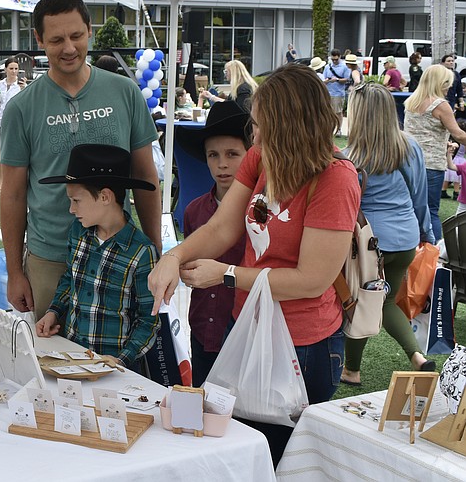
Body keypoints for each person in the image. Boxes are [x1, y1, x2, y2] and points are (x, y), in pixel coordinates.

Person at [148, 63, 360, 466]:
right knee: (239, 448)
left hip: (302, 344)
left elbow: (311, 280)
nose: (255, 137)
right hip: (246, 325)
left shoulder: (335, 179)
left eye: (263, 127)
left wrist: (225, 275)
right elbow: (222, 227)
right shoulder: (261, 158)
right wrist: (175, 256)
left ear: (292, 128)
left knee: (283, 457)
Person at [0, 0, 160, 322]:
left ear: (90, 30)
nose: (69, 48)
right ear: (39, 40)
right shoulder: (21, 108)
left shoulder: (125, 92)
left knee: (119, 361)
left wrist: (155, 251)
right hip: (51, 259)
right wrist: (15, 271)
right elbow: (13, 194)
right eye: (57, 39)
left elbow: (146, 177)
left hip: (120, 255)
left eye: (76, 35)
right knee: (54, 360)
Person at [341, 82, 435, 387]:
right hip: (406, 237)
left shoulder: (348, 156)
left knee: (362, 302)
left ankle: (351, 370)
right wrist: (426, 233)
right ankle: (417, 356)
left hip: (368, 244)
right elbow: (419, 196)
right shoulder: (409, 147)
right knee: (385, 301)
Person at [35, 144, 160, 372]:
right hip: (71, 358)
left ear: (105, 197)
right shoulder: (78, 232)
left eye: (76, 200)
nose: (71, 209)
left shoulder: (142, 252)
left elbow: (148, 320)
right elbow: (70, 279)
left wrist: (121, 360)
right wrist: (54, 311)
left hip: (115, 371)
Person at [178, 101, 250, 386]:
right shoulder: (194, 211)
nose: (222, 164)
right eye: (213, 155)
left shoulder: (260, 212)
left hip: (241, 329)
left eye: (233, 154)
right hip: (201, 325)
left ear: (251, 155)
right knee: (202, 402)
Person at [404, 64, 466, 241]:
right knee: (431, 211)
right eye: (447, 83)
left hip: (408, 161)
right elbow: (459, 135)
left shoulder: (411, 101)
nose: (449, 87)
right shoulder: (440, 104)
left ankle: (412, 249)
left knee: (411, 208)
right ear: (439, 82)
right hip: (431, 164)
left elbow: (421, 131)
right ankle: (433, 253)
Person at [0, 58, 25, 195]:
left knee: (12, 155)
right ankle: (0, 185)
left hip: (14, 124)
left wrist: (24, 89)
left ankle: (11, 184)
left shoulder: (22, 86)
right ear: (5, 69)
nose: (14, 71)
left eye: (16, 68)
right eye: (11, 68)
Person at [447, 133, 466, 214]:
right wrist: (449, 154)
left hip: (463, 201)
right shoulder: (464, 166)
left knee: (458, 222)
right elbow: (451, 166)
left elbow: (451, 166)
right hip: (464, 201)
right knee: (458, 222)